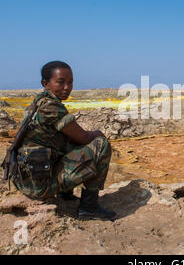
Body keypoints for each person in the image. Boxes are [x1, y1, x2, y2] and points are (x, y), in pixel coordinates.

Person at [12, 61, 116, 220]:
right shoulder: (51, 107)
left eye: (70, 82)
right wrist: (98, 133)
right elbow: (83, 137)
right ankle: (89, 207)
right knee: (101, 145)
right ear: (46, 83)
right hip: (39, 187)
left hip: (28, 181)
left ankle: (65, 194)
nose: (67, 87)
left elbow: (64, 140)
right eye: (61, 82)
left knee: (68, 144)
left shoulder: (39, 102)